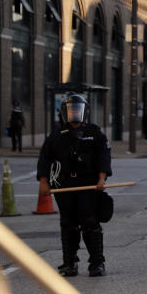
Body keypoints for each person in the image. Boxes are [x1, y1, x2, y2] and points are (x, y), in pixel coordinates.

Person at [37, 94, 112, 277]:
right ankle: (69, 263)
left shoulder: (94, 133)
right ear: (65, 112)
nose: (74, 113)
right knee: (67, 224)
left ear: (84, 111)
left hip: (88, 185)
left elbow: (104, 155)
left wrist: (102, 179)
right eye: (71, 110)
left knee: (90, 223)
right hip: (65, 186)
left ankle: (97, 263)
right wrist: (44, 182)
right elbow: (44, 159)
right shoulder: (57, 135)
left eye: (77, 109)